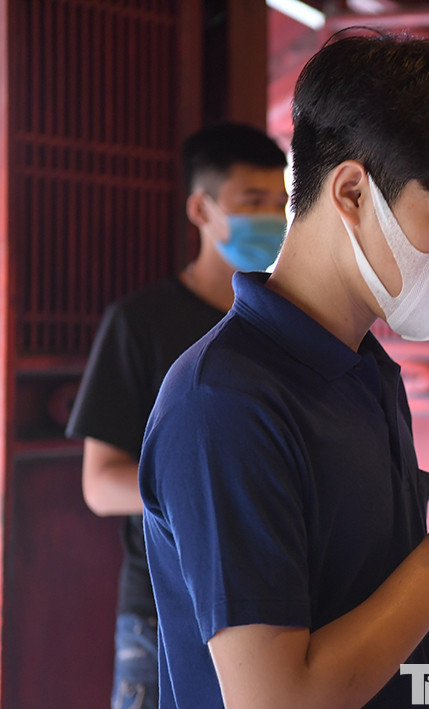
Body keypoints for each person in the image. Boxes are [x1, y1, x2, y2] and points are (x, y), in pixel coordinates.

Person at [138, 33, 429, 709]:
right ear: (353, 192)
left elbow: (413, 614)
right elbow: (277, 698)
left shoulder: (368, 370)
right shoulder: (224, 400)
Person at [65, 122, 288, 708]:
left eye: (280, 202)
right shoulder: (140, 322)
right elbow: (100, 484)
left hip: (273, 602)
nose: (272, 217)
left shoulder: (282, 321)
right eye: (252, 202)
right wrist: (211, 494)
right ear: (201, 208)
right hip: (162, 612)